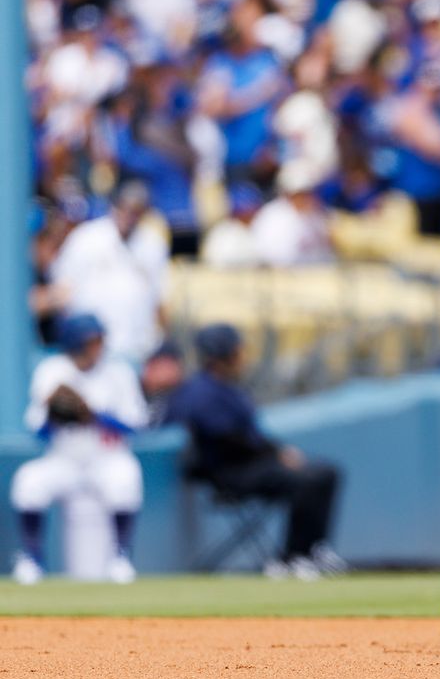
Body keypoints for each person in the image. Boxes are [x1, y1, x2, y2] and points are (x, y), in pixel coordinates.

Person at [166, 323, 344, 578]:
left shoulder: (231, 388)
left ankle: (313, 549)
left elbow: (252, 436)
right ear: (222, 355)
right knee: (304, 480)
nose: (243, 357)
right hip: (230, 472)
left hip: (253, 464)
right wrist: (275, 455)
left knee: (325, 472)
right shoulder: (201, 391)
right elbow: (229, 440)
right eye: (238, 351)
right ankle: (291, 558)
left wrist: (278, 452)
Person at [10, 314, 149, 585]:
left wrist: (93, 415)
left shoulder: (117, 371)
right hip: (64, 458)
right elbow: (38, 430)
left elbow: (136, 424)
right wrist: (56, 416)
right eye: (92, 340)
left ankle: (121, 557)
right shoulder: (52, 370)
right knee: (28, 481)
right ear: (75, 342)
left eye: (99, 340)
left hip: (107, 457)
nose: (98, 346)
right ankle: (32, 559)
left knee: (125, 478)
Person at [49, 181, 169, 364]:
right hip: (90, 350)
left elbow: (159, 299)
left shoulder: (153, 244)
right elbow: (61, 288)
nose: (129, 215)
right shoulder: (86, 238)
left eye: (136, 210)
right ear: (114, 206)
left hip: (138, 348)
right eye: (124, 207)